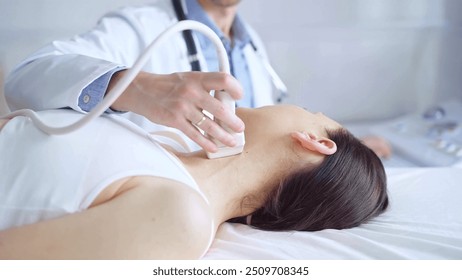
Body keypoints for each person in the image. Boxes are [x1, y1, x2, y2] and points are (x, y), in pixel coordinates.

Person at [4, 0, 392, 158]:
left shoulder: (251, 44)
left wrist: (347, 149)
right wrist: (137, 87)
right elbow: (26, 77)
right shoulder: (142, 26)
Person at [0, 104, 388, 259]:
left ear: (316, 142)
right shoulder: (164, 141)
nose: (295, 103)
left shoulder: (180, 218)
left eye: (312, 111)